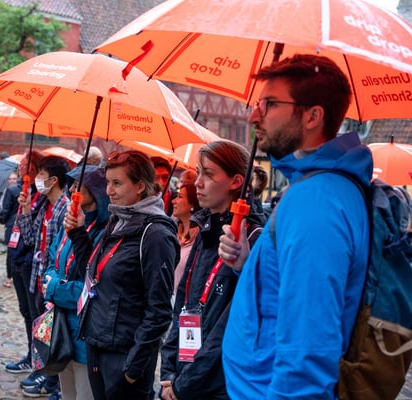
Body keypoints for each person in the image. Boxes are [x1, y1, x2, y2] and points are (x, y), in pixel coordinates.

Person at [219, 54, 372, 398]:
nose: (254, 115)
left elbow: (309, 347)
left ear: (312, 116)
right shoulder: (312, 187)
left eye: (270, 104)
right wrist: (249, 262)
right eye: (259, 102)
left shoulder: (316, 201)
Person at [65, 150, 180, 399]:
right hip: (98, 346)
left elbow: (159, 311)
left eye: (117, 183)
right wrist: (78, 233)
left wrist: (133, 368)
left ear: (140, 186)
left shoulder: (156, 235)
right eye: (108, 182)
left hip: (124, 356)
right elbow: (94, 274)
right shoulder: (118, 220)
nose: (108, 191)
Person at [159, 140, 264, 400]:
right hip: (185, 377)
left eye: (209, 174)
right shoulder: (205, 231)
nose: (198, 182)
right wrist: (169, 371)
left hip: (219, 385)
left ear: (235, 182)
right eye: (199, 172)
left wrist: (184, 383)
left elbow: (226, 327)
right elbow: (182, 307)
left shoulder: (252, 239)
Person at [43, 165, 110, 400]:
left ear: (96, 191)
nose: (72, 190)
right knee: (67, 393)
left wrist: (52, 288)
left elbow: (90, 288)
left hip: (83, 336)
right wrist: (51, 280)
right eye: (71, 184)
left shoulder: (103, 232)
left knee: (84, 394)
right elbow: (52, 259)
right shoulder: (69, 220)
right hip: (61, 330)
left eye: (78, 185)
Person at [16, 155, 70, 397]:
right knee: (44, 332)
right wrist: (26, 207)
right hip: (38, 280)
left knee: (56, 334)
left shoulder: (65, 209)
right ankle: (47, 375)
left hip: (53, 284)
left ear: (54, 180)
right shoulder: (45, 206)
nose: (36, 179)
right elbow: (29, 239)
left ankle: (55, 382)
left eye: (40, 175)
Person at [3, 151, 48, 377]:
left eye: (25, 164)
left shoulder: (42, 196)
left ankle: (39, 362)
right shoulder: (20, 190)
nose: (20, 167)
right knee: (25, 311)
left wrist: (28, 207)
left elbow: (34, 234)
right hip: (18, 257)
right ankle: (31, 356)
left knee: (35, 313)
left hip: (32, 261)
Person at [169, 183, 201, 296]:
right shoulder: (173, 233)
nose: (173, 201)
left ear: (192, 204)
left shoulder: (200, 239)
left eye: (180, 197)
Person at [0, 171, 20, 288]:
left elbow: (6, 209)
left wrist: (0, 219)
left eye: (14, 179)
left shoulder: (12, 191)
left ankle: (10, 277)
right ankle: (12, 277)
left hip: (12, 224)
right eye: (10, 179)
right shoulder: (12, 190)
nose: (12, 181)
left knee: (11, 251)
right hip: (15, 223)